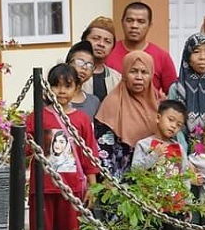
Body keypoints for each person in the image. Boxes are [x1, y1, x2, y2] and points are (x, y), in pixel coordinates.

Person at [26, 63, 99, 230]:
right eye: (56, 85)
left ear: (76, 88)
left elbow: (89, 154)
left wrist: (93, 187)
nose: (61, 91)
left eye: (67, 86)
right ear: (48, 88)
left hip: (72, 189)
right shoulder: (37, 117)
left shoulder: (82, 120)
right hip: (42, 188)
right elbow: (24, 150)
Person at [130, 99, 189, 230]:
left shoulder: (179, 148)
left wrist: (186, 202)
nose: (173, 127)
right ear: (158, 118)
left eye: (178, 125)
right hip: (150, 204)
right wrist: (154, 155)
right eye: (170, 120)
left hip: (173, 205)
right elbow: (136, 172)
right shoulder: (145, 144)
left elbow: (184, 175)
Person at [95, 51, 161, 181]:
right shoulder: (112, 103)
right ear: (124, 74)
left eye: (144, 72)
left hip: (152, 182)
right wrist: (109, 180)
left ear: (151, 75)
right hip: (120, 181)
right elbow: (104, 149)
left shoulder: (157, 104)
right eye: (133, 71)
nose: (139, 77)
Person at [105, 2, 178, 96]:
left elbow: (173, 95)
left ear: (149, 25)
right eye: (129, 20)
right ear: (122, 22)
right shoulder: (108, 52)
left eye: (141, 21)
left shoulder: (162, 57)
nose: (134, 26)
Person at [80, 16, 121, 100]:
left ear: (112, 47)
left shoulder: (117, 78)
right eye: (95, 38)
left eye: (107, 41)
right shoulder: (71, 72)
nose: (101, 44)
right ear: (84, 40)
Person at [65, 41, 101, 117]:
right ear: (67, 64)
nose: (84, 67)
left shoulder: (94, 102)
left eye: (89, 65)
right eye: (80, 62)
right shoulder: (53, 97)